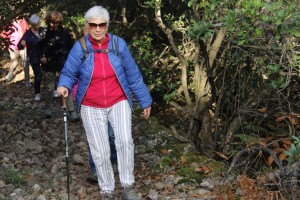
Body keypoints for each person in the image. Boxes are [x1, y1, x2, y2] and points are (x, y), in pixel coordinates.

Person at [57, 5, 152, 200]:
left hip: (119, 100)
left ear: (107, 25)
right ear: (88, 26)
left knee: (125, 141)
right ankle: (106, 190)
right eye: (93, 25)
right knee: (100, 150)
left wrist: (145, 100)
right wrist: (64, 85)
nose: (98, 29)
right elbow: (68, 72)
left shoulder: (118, 45)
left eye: (102, 25)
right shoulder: (80, 47)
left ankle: (128, 186)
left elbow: (133, 75)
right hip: (91, 104)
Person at [72, 81, 118, 184]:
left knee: (111, 136)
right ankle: (95, 170)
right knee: (93, 139)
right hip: (90, 105)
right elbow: (74, 80)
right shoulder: (82, 64)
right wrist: (79, 98)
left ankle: (114, 161)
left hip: (111, 103)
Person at [37, 11, 79, 121]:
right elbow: (38, 48)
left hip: (64, 64)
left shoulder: (64, 33)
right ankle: (48, 108)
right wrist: (41, 57)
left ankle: (71, 111)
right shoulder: (44, 33)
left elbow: (71, 47)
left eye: (56, 22)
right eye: (52, 22)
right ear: (48, 22)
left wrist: (73, 61)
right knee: (50, 88)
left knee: (66, 87)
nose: (54, 25)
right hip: (49, 64)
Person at [17, 14, 44, 101]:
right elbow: (19, 45)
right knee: (38, 74)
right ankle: (37, 93)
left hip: (44, 55)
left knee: (49, 73)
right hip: (33, 56)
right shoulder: (28, 34)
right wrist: (22, 43)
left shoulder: (44, 30)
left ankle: (54, 90)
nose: (37, 26)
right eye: (34, 25)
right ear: (31, 25)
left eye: (38, 24)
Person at [3, 17, 29, 85]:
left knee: (25, 62)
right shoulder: (9, 23)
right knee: (15, 62)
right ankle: (9, 76)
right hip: (13, 46)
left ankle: (27, 81)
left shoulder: (23, 21)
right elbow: (4, 34)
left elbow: (27, 31)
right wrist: (4, 44)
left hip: (23, 46)